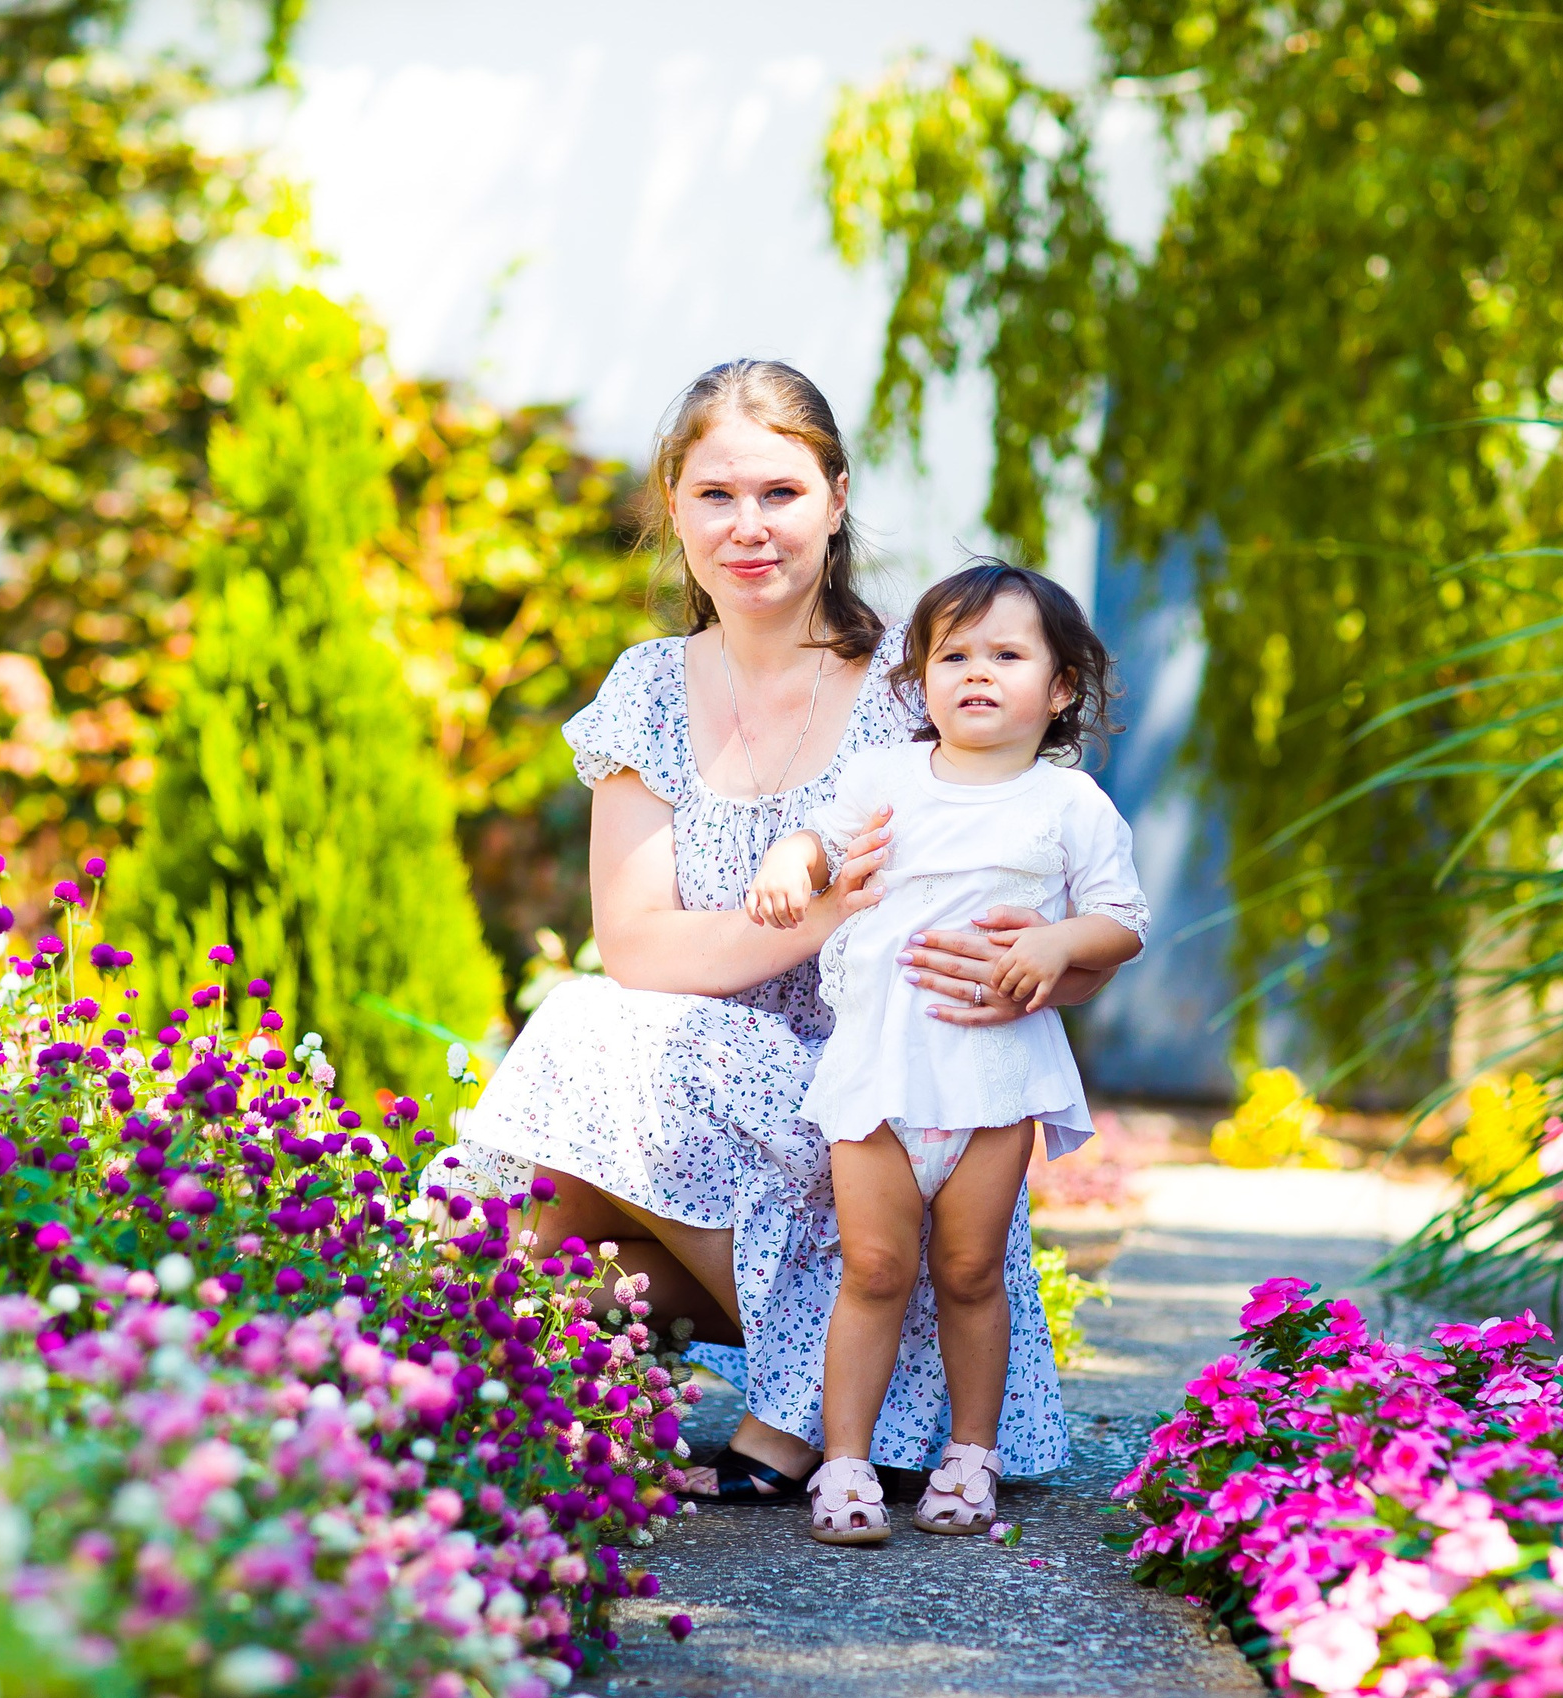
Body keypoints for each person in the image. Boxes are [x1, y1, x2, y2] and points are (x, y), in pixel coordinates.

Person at [439, 360, 1111, 1499]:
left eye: (781, 494)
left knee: (591, 1038)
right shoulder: (648, 689)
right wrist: (831, 912)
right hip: (691, 1098)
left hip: (887, 1097)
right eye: (716, 495)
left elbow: (1056, 897)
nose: (748, 527)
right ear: (675, 508)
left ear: (835, 500)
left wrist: (1037, 969)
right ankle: (470, 1382)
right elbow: (640, 949)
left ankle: (804, 1414)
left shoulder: (922, 681)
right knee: (533, 1237)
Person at [746, 561, 1146, 1543]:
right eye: (953, 655)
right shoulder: (887, 776)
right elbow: (821, 837)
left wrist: (1060, 941)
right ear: (920, 680)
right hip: (879, 1070)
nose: (976, 672)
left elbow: (1122, 920)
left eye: (1006, 655)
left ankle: (971, 1453)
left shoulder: (1069, 803)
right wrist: (790, 858)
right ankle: (843, 1462)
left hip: (994, 1078)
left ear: (1060, 688)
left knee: (971, 1272)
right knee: (874, 1268)